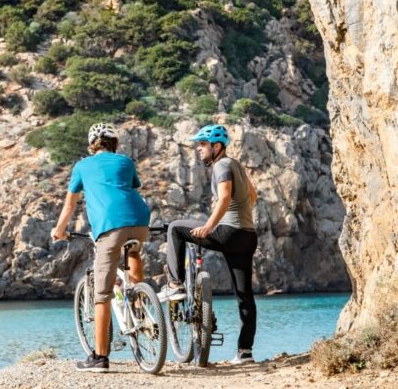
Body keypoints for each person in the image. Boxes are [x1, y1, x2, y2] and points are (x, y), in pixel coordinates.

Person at [51, 122, 151, 373]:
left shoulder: (82, 166)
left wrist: (60, 230)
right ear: (114, 144)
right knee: (135, 252)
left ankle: (99, 358)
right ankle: (139, 304)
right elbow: (131, 187)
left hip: (109, 226)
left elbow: (69, 205)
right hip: (140, 221)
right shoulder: (126, 162)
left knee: (102, 295)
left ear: (91, 144)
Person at [157, 124, 258, 365]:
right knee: (244, 295)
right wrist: (235, 217)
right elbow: (252, 197)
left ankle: (174, 284)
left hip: (230, 233)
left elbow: (224, 198)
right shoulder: (237, 166)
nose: (198, 149)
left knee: (175, 228)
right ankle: (245, 352)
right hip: (247, 235)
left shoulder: (222, 165)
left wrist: (211, 226)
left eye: (202, 145)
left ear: (217, 146)